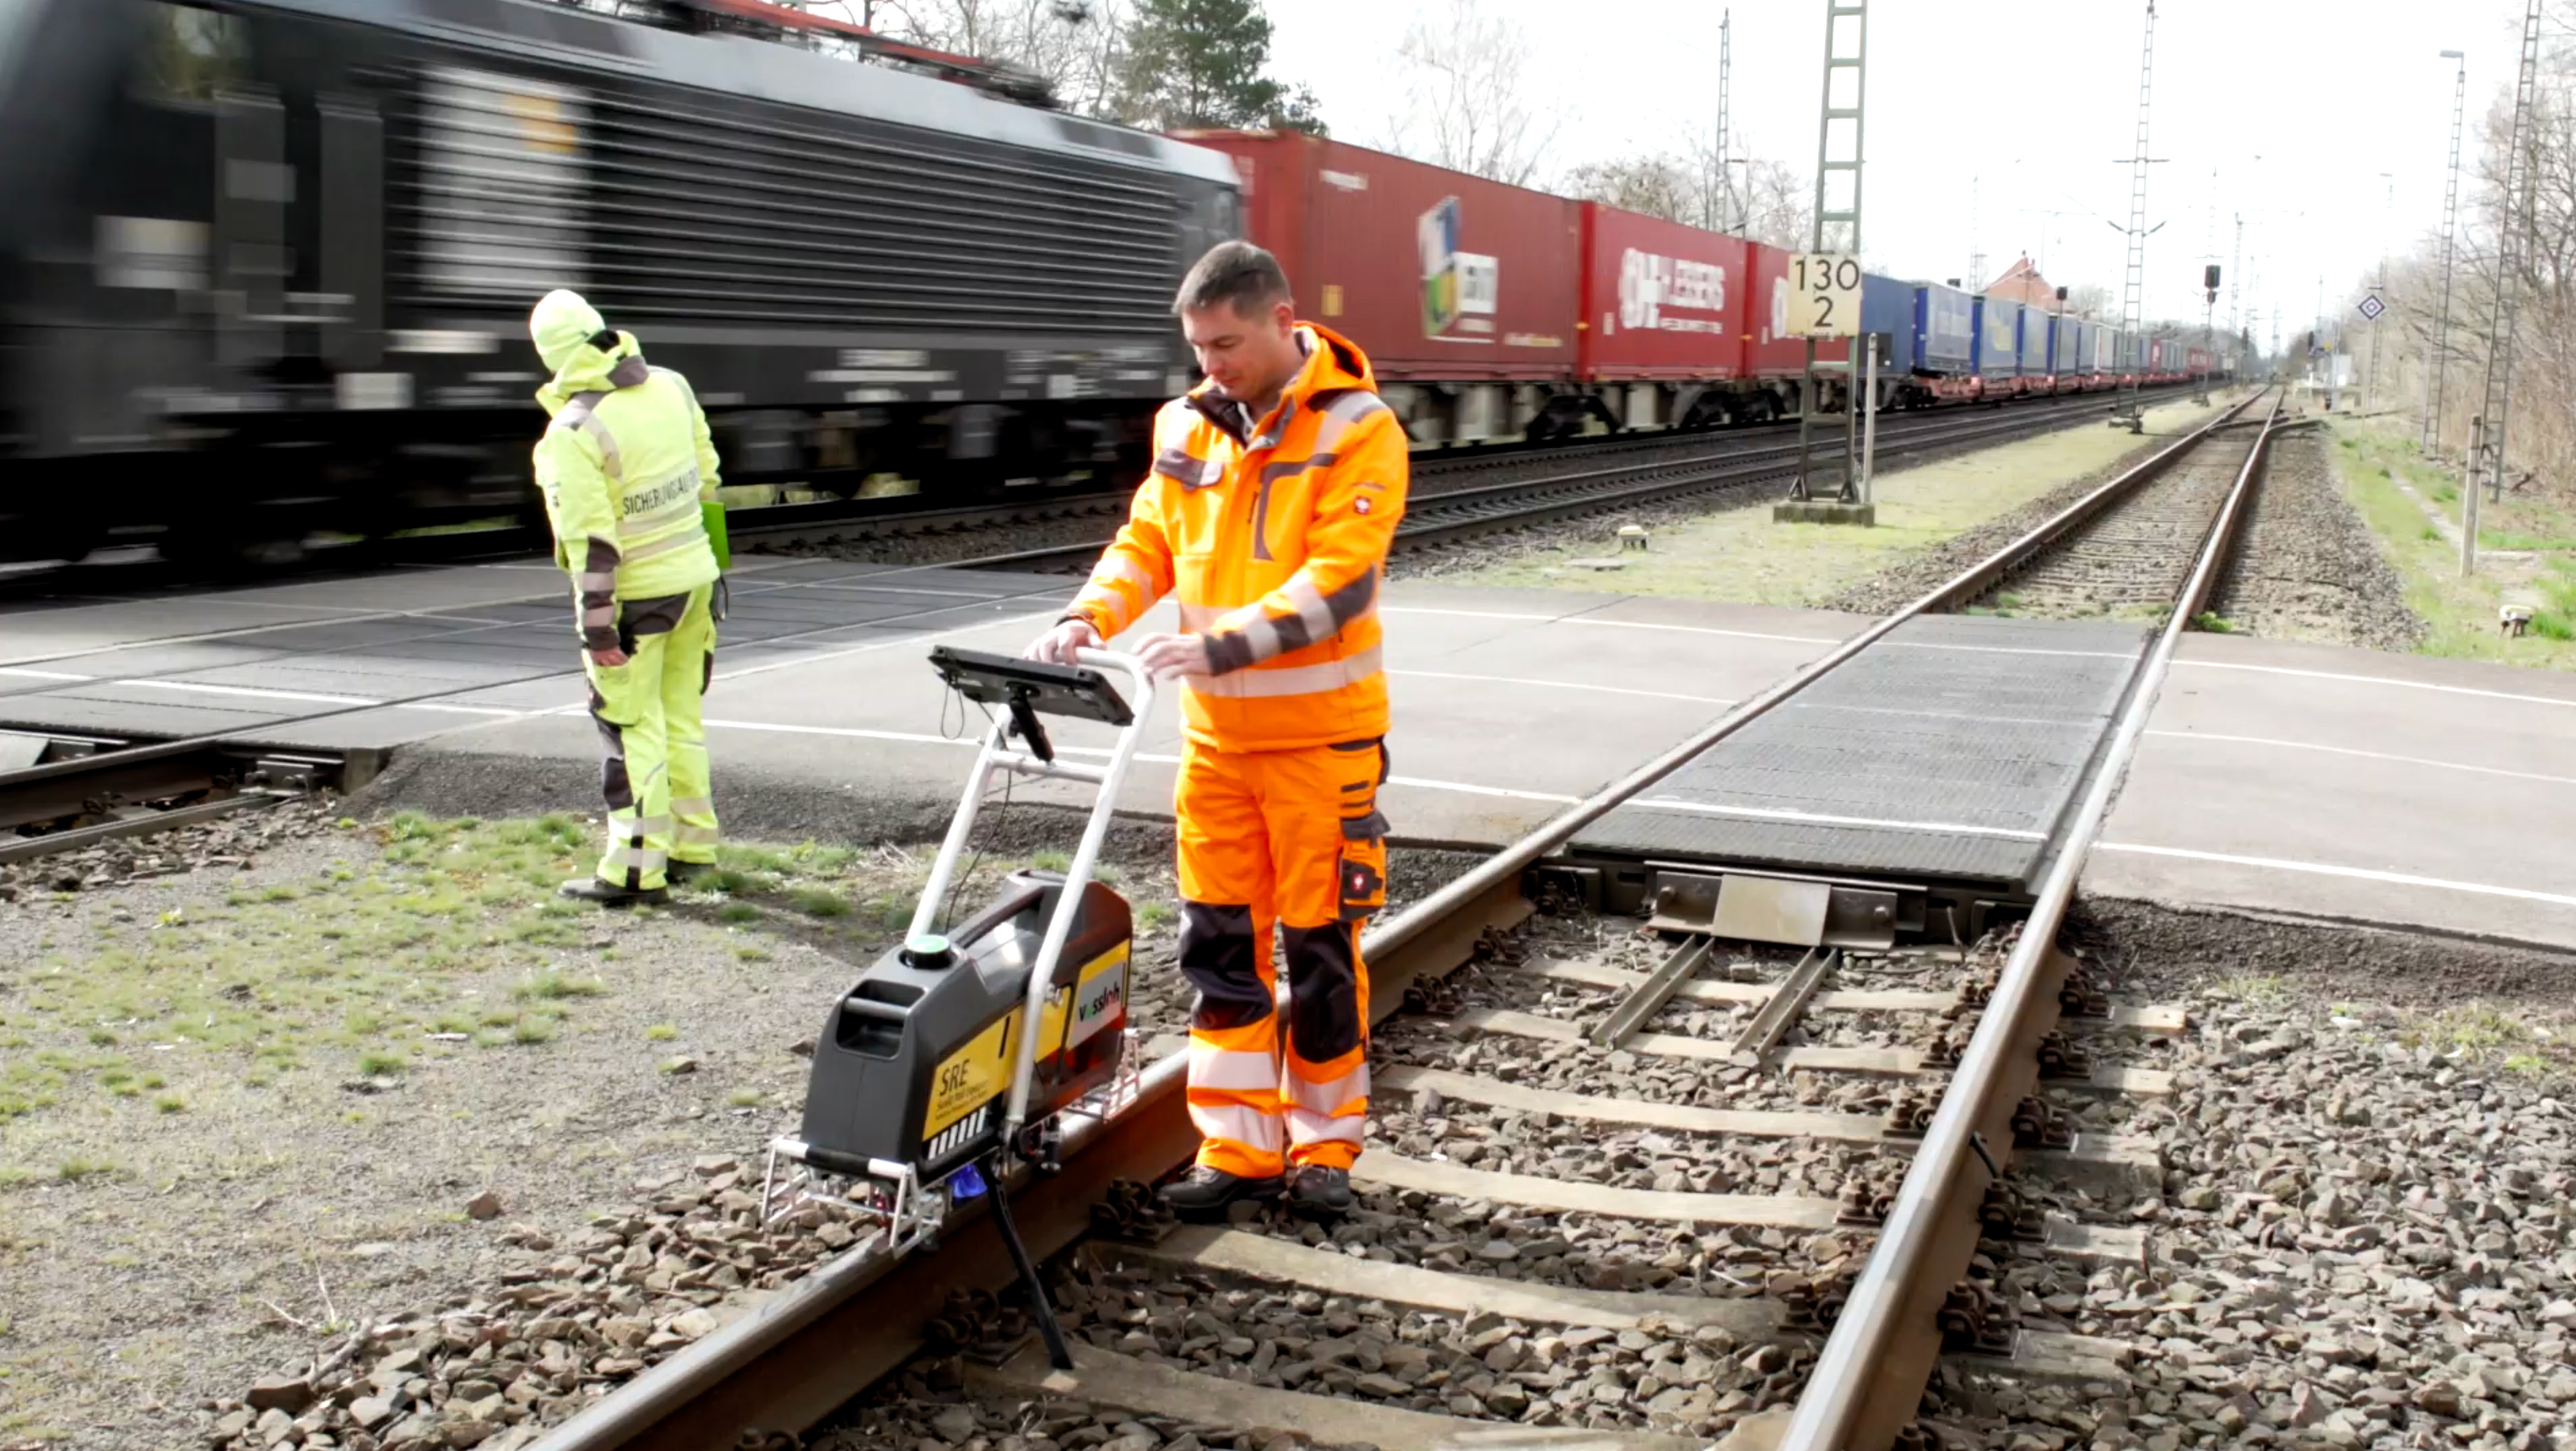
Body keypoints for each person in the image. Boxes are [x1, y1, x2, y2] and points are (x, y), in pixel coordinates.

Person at [1028, 241, 1408, 1219]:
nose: (1210, 365)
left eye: (1226, 344)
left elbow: (1339, 581)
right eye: (1197, 347)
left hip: (1321, 748)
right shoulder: (1185, 423)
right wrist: (1087, 614)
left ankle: (1323, 1147)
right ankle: (1236, 1147)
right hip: (1218, 750)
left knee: (1320, 956)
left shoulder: (1359, 427)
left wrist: (1220, 645)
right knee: (1220, 951)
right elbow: (1147, 541)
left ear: (1283, 320)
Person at [528, 289, 730, 906]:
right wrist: (715, 570)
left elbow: (591, 542)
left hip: (636, 603)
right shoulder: (672, 386)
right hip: (695, 583)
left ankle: (636, 871)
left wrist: (597, 630)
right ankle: (693, 849)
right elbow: (708, 482)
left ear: (550, 357)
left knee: (629, 729)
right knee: (681, 720)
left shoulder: (573, 430)